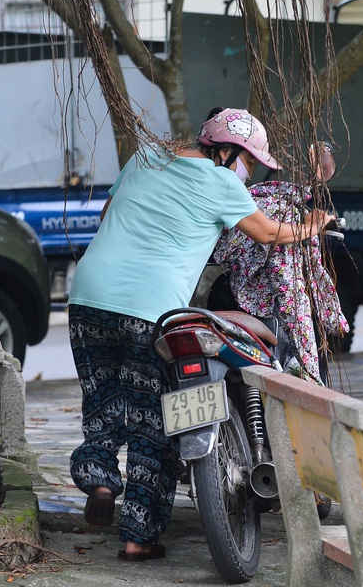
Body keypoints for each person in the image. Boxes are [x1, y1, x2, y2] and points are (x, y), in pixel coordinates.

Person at [66, 108, 335, 562]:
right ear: (230, 152)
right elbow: (269, 233)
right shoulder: (222, 183)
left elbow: (110, 213)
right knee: (154, 421)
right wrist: (315, 224)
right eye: (248, 160)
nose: (247, 171)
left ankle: (98, 480)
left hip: (88, 294)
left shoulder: (146, 156)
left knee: (103, 400)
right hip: (151, 308)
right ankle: (137, 538)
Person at [212, 141, 349, 386]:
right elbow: (288, 285)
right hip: (263, 310)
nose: (251, 170)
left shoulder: (238, 200)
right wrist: (309, 227)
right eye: (250, 161)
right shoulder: (279, 214)